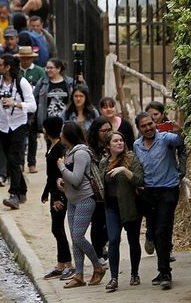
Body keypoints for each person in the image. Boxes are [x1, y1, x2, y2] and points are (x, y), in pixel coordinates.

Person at [134, 112, 186, 289]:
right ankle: (162, 270)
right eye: (144, 126)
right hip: (149, 193)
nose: (148, 128)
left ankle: (166, 273)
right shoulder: (136, 145)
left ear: (155, 123)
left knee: (162, 229)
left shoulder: (166, 138)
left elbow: (181, 144)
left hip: (168, 190)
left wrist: (180, 133)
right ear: (139, 128)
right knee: (155, 231)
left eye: (150, 124)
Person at [0, 54, 35, 210]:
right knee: (10, 159)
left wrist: (15, 103)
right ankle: (22, 191)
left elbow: (32, 106)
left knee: (13, 158)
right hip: (3, 125)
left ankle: (14, 195)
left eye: (1, 65)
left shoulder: (21, 83)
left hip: (18, 124)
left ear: (8, 67)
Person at [57, 121, 106, 288]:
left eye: (62, 132)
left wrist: (62, 168)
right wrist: (61, 181)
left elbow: (77, 180)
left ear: (68, 135)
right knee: (75, 239)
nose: (60, 135)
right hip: (72, 200)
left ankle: (98, 266)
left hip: (85, 199)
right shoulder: (68, 152)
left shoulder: (80, 153)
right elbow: (70, 178)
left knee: (78, 236)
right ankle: (79, 275)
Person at [99, 131, 144, 292]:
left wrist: (124, 170)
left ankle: (134, 273)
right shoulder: (104, 162)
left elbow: (139, 180)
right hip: (111, 208)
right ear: (108, 145)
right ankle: (114, 278)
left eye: (121, 140)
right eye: (115, 141)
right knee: (113, 240)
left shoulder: (131, 158)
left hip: (130, 207)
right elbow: (101, 184)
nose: (119, 143)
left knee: (133, 240)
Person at [40, 116, 73, 281]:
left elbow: (60, 175)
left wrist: (58, 197)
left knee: (58, 228)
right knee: (56, 228)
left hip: (60, 194)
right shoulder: (52, 146)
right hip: (53, 192)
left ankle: (69, 265)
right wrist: (46, 193)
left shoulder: (59, 148)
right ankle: (60, 265)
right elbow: (50, 175)